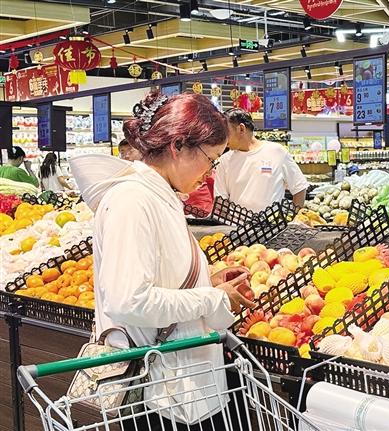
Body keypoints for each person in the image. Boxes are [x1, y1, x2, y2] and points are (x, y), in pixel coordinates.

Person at [70, 92, 255, 430]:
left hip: (179, 389)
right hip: (161, 394)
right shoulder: (132, 201)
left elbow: (158, 276)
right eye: (211, 159)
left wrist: (207, 281)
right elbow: (129, 300)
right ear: (178, 146)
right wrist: (211, 298)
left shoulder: (157, 196)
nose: (210, 174)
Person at [215, 108, 308, 212]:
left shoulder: (277, 152)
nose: (222, 138)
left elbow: (299, 188)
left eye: (226, 133)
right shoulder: (223, 161)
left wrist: (293, 217)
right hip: (237, 222)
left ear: (241, 129)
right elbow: (221, 202)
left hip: (273, 222)